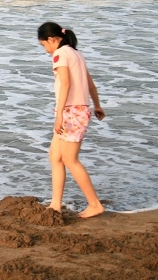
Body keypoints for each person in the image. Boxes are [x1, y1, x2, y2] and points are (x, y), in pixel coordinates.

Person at [37, 22, 106, 218]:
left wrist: (59, 114)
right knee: (55, 156)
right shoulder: (76, 53)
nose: (45, 50)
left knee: (70, 159)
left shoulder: (60, 54)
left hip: (70, 112)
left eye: (44, 45)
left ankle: (95, 204)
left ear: (52, 39)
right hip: (79, 110)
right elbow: (90, 85)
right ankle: (55, 204)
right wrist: (97, 105)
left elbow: (66, 84)